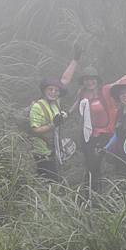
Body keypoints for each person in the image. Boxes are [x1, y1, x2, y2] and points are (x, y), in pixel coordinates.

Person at [74, 59, 126, 192]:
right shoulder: (82, 94)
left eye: (92, 79)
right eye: (86, 79)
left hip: (107, 133)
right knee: (91, 165)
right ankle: (93, 193)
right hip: (90, 135)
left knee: (114, 162)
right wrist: (66, 114)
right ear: (83, 81)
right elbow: (76, 105)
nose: (90, 82)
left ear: (97, 80)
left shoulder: (105, 90)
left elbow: (121, 82)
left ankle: (121, 190)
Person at [28, 46, 82, 181]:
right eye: (50, 89)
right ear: (44, 90)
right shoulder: (37, 107)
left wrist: (75, 60)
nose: (53, 92)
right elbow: (35, 130)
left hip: (53, 150)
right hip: (42, 152)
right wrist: (52, 125)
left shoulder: (55, 102)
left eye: (56, 90)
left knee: (50, 180)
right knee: (50, 182)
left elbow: (64, 80)